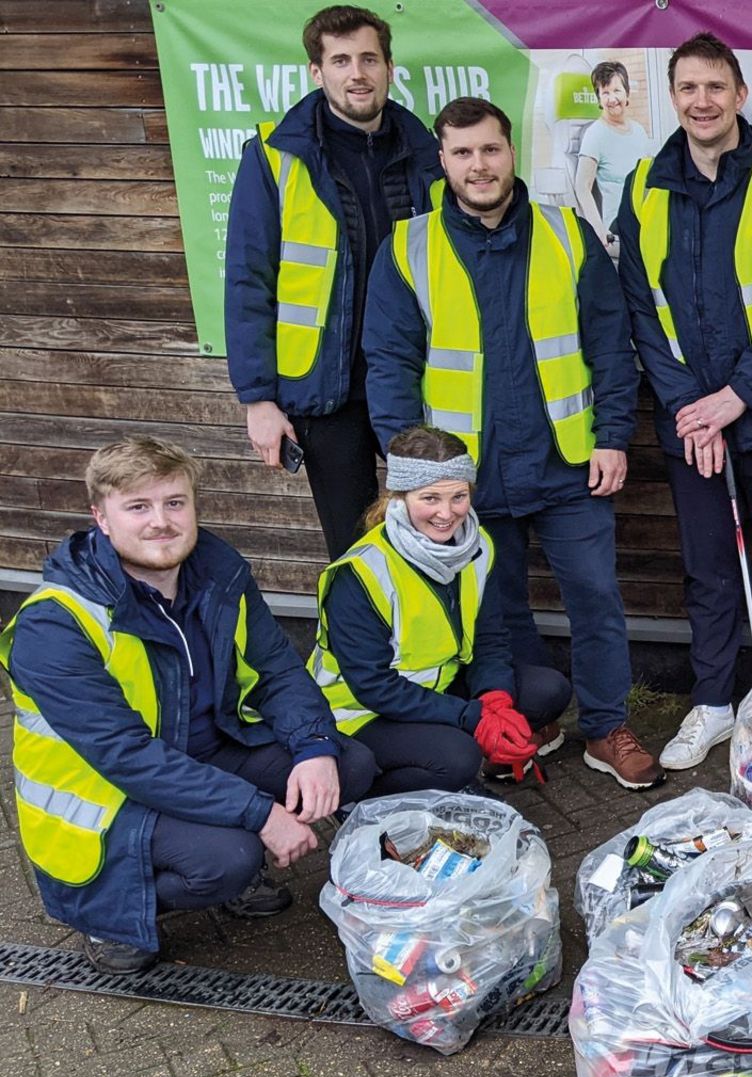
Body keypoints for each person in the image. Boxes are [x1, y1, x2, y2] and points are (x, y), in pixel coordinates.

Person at [0, 437, 379, 976]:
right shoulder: (56, 622)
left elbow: (276, 669)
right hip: (108, 796)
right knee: (228, 858)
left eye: (175, 502)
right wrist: (259, 813)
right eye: (138, 506)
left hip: (203, 753)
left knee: (348, 762)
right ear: (101, 518)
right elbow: (127, 757)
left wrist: (315, 746)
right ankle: (108, 914)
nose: (161, 521)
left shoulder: (217, 574)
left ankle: (227, 838)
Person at [362, 97, 655, 789]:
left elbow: (611, 347)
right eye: (462, 153)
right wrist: (412, 477)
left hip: (567, 462)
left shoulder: (565, 234)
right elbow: (388, 365)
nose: (478, 166)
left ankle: (608, 726)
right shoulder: (407, 249)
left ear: (511, 150)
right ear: (443, 161)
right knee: (495, 608)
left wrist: (613, 436)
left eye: (489, 150)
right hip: (466, 476)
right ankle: (534, 718)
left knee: (594, 596)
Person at [613, 33, 752, 772]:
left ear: (740, 95)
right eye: (688, 89)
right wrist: (691, 406)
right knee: (707, 568)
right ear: (673, 98)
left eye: (716, 87)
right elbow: (641, 306)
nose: (702, 102)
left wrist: (736, 397)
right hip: (691, 419)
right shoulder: (645, 181)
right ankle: (713, 702)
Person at [226, 5, 443, 560]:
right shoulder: (275, 156)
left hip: (418, 383)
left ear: (390, 68)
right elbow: (248, 280)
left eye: (369, 58)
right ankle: (363, 649)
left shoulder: (428, 152)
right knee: (353, 549)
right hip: (329, 394)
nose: (357, 73)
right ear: (316, 72)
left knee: (436, 534)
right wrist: (258, 399)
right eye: (341, 60)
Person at [307, 426, 573, 793]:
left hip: (437, 685)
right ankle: (362, 795)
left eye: (458, 497)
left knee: (548, 690)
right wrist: (471, 718)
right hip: (359, 712)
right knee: (458, 758)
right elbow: (373, 686)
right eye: (430, 498)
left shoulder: (477, 546)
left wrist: (495, 700)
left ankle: (485, 757)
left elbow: (490, 639)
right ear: (399, 497)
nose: (447, 514)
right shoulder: (360, 573)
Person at [573, 60, 656, 259]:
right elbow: (582, 187)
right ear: (599, 99)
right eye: (605, 93)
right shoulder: (595, 134)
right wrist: (599, 231)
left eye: (616, 91)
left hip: (643, 218)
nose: (612, 99)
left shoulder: (638, 131)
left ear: (627, 93)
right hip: (618, 226)